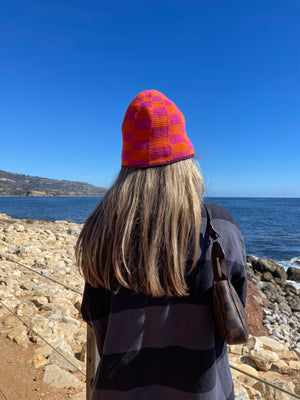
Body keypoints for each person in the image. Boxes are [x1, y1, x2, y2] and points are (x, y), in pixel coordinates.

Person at [75, 89, 247, 400]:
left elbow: (98, 323)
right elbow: (234, 311)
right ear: (188, 163)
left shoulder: (100, 232)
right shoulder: (219, 227)